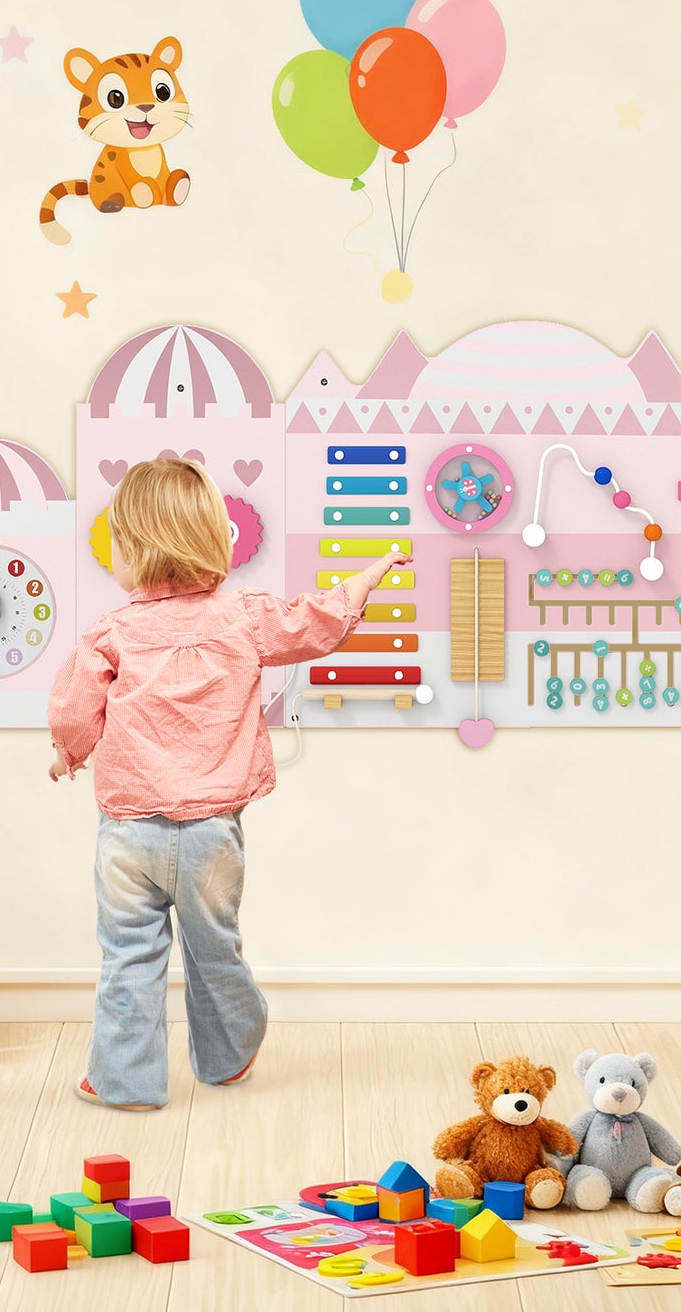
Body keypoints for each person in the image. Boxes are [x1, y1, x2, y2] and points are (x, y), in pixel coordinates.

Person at [47, 456, 410, 1109]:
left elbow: (74, 708)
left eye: (116, 545)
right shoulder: (244, 617)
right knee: (214, 949)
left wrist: (68, 753)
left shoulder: (110, 633)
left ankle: (123, 1080)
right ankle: (230, 1050)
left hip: (128, 833)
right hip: (213, 832)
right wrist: (370, 574)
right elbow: (317, 621)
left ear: (130, 549)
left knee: (129, 957)